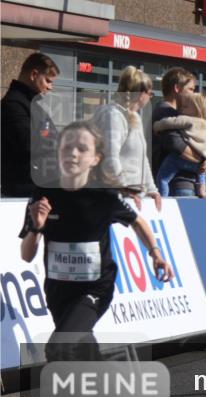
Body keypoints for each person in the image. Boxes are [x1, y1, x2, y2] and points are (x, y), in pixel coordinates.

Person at [19, 121, 173, 361]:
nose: (72, 153)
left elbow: (137, 222)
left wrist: (156, 254)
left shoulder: (102, 196)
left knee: (59, 347)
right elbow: (26, 255)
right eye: (66, 147)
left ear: (95, 158)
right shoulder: (43, 193)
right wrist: (37, 228)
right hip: (58, 289)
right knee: (82, 350)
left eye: (82, 148)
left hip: (95, 288)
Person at [92, 66, 160, 209]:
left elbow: (142, 159)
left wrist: (152, 189)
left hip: (131, 196)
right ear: (142, 94)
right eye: (150, 93)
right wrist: (125, 189)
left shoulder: (134, 117)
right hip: (114, 198)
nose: (150, 97)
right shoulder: (113, 116)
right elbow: (110, 158)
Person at [2, 52, 61, 196]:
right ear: (34, 75)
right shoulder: (13, 105)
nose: (50, 87)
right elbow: (27, 144)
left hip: (38, 186)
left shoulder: (32, 105)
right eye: (48, 80)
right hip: (23, 190)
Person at [153, 93, 206, 198]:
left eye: (185, 106)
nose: (181, 108)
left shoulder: (187, 119)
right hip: (199, 164)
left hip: (179, 158)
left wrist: (156, 126)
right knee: (201, 173)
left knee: (162, 179)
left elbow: (169, 123)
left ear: (196, 110)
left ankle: (164, 198)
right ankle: (202, 191)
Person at [150, 66, 196, 177]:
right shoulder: (165, 112)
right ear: (177, 88)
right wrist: (204, 158)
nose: (194, 94)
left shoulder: (173, 113)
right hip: (172, 182)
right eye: (191, 89)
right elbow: (177, 145)